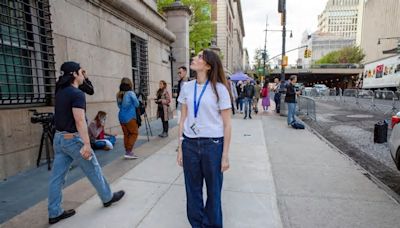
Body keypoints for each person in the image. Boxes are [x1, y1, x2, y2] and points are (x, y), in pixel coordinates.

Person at [49, 61, 124, 225]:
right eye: (81, 72)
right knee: (93, 169)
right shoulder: (76, 94)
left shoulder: (60, 91)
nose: (83, 75)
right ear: (75, 74)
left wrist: (85, 77)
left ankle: (54, 212)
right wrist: (87, 144)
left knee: (57, 178)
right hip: (72, 140)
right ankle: (107, 197)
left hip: (59, 139)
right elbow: (80, 120)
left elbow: (88, 89)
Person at [177, 49, 232, 228]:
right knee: (192, 191)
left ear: (208, 66)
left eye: (199, 57)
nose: (194, 58)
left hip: (213, 145)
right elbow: (183, 118)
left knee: (214, 192)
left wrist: (225, 155)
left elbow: (227, 125)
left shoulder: (220, 89)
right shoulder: (187, 87)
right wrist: (180, 147)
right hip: (190, 145)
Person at [117, 77, 140, 159]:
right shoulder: (130, 93)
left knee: (126, 134)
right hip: (130, 117)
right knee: (134, 133)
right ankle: (129, 151)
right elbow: (137, 104)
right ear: (130, 84)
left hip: (121, 117)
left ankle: (127, 151)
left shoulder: (119, 94)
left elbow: (119, 106)